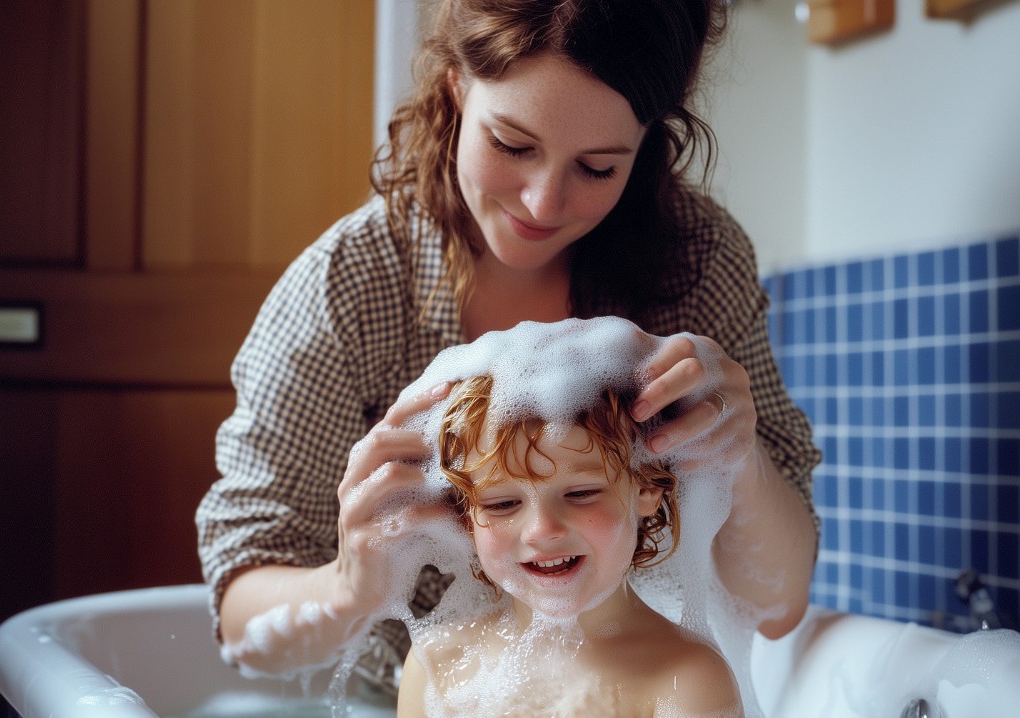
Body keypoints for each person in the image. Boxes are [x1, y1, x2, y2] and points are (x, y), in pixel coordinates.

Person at [196, 0, 821, 688]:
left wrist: (742, 461)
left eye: (598, 167)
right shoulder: (350, 286)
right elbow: (240, 624)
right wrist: (354, 586)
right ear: (456, 86)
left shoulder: (696, 263)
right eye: (513, 146)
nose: (542, 203)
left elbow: (777, 608)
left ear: (647, 144)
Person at [396, 374, 744, 717]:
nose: (541, 530)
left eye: (580, 494)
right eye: (502, 504)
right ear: (466, 517)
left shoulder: (686, 679)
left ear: (647, 487)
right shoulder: (437, 666)